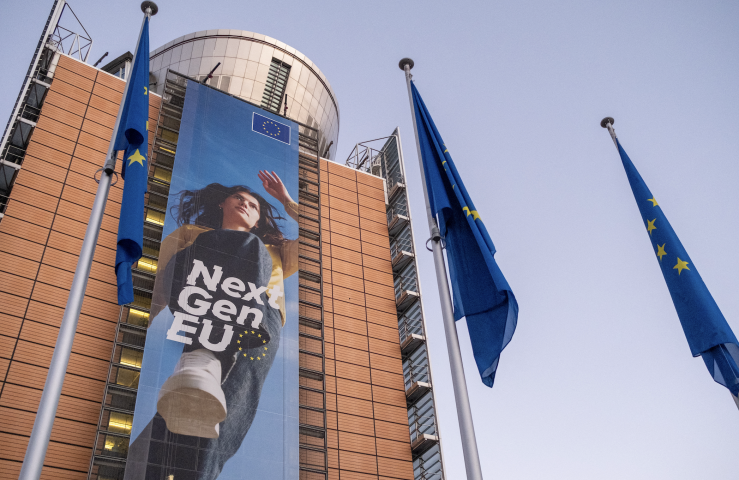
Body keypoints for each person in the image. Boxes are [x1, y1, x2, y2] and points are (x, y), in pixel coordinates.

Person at [129, 171, 298, 479]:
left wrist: (286, 200)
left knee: (224, 407)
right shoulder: (191, 234)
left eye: (253, 205)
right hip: (200, 296)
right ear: (222, 203)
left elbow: (323, 237)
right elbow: (162, 285)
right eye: (239, 198)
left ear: (260, 220)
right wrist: (142, 325)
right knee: (214, 246)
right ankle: (202, 358)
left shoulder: (277, 250)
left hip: (257, 320)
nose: (245, 205)